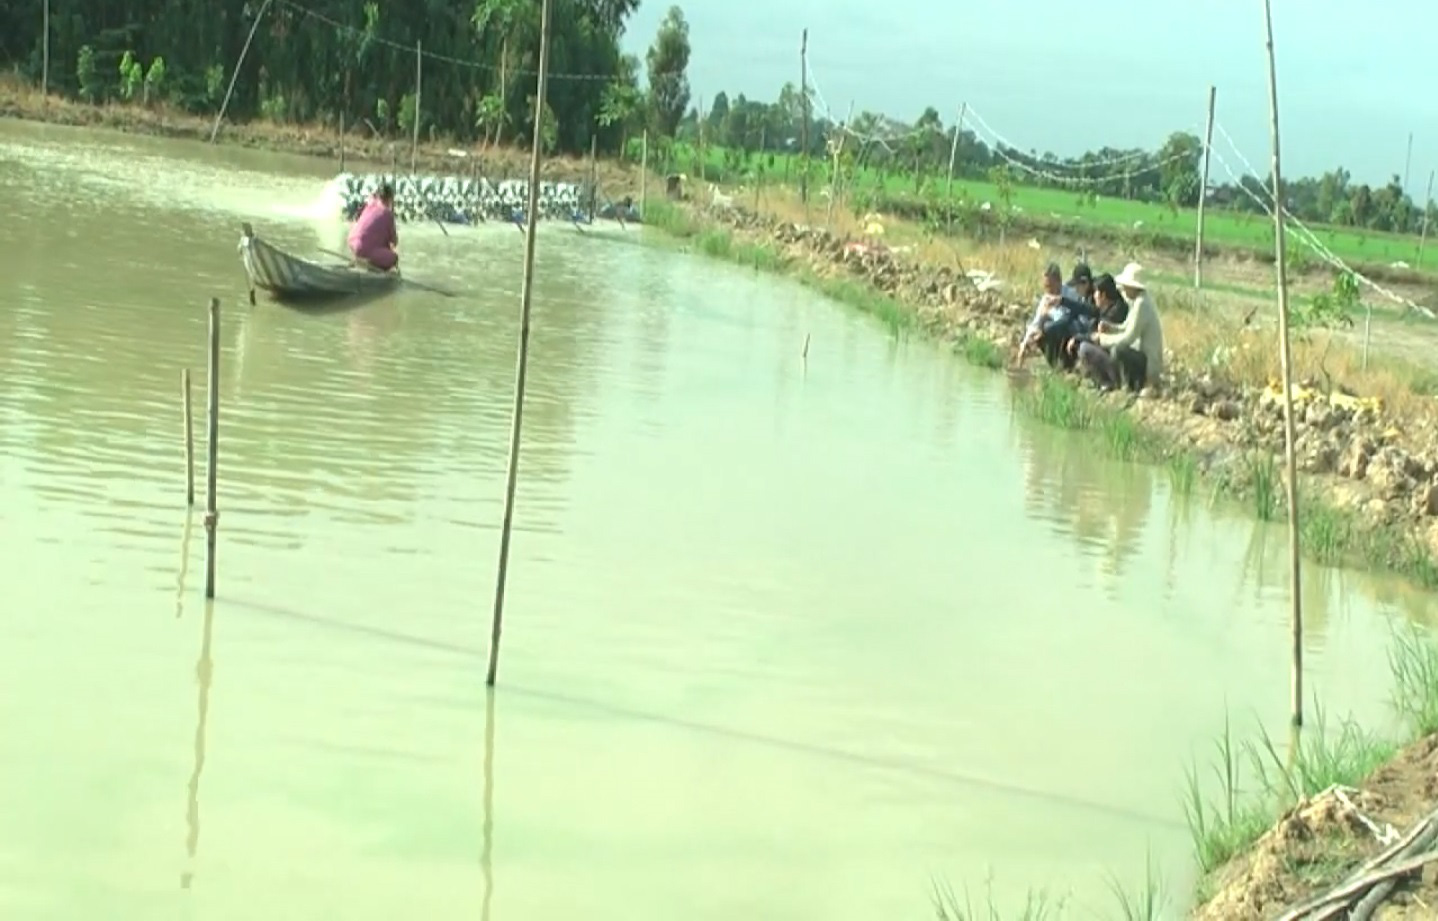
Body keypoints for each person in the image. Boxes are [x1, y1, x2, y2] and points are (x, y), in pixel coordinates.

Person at [1069, 262, 1163, 392]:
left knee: (1118, 351)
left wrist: (1102, 339)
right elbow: (1126, 327)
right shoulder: (1138, 301)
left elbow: (1128, 338)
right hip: (1144, 359)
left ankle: (1123, 384)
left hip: (1149, 365)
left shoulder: (1142, 304)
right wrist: (1111, 328)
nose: (1124, 289)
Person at [1018, 261, 1097, 369]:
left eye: (1050, 286)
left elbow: (1071, 318)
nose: (1048, 290)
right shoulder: (1046, 298)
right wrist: (1025, 342)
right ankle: (1055, 366)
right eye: (1045, 286)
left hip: (1075, 331)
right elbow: (1036, 322)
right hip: (1055, 334)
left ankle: (1069, 364)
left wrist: (1049, 317)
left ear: (1059, 282)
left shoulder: (1072, 294)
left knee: (1047, 327)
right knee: (1039, 330)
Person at [347, 182, 400, 272]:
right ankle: (376, 272)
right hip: (365, 249)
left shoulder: (369, 205)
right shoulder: (387, 213)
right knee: (394, 258)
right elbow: (394, 242)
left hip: (352, 242)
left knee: (379, 245)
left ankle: (362, 261)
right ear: (390, 199)